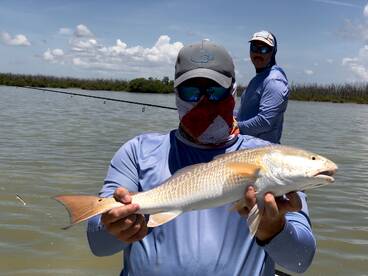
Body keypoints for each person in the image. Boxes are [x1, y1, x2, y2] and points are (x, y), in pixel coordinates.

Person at [87, 40, 315, 275]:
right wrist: (114, 228)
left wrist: (274, 231)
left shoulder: (271, 159)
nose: (203, 102)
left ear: (233, 91)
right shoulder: (137, 152)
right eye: (191, 92)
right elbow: (98, 246)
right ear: (176, 94)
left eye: (215, 91)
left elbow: (300, 260)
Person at [237, 30, 289, 144]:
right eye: (254, 48)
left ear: (272, 52)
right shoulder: (259, 78)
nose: (258, 53)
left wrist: (233, 127)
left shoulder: (274, 81)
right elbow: (244, 113)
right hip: (246, 149)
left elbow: (264, 122)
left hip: (262, 153)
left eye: (264, 49)